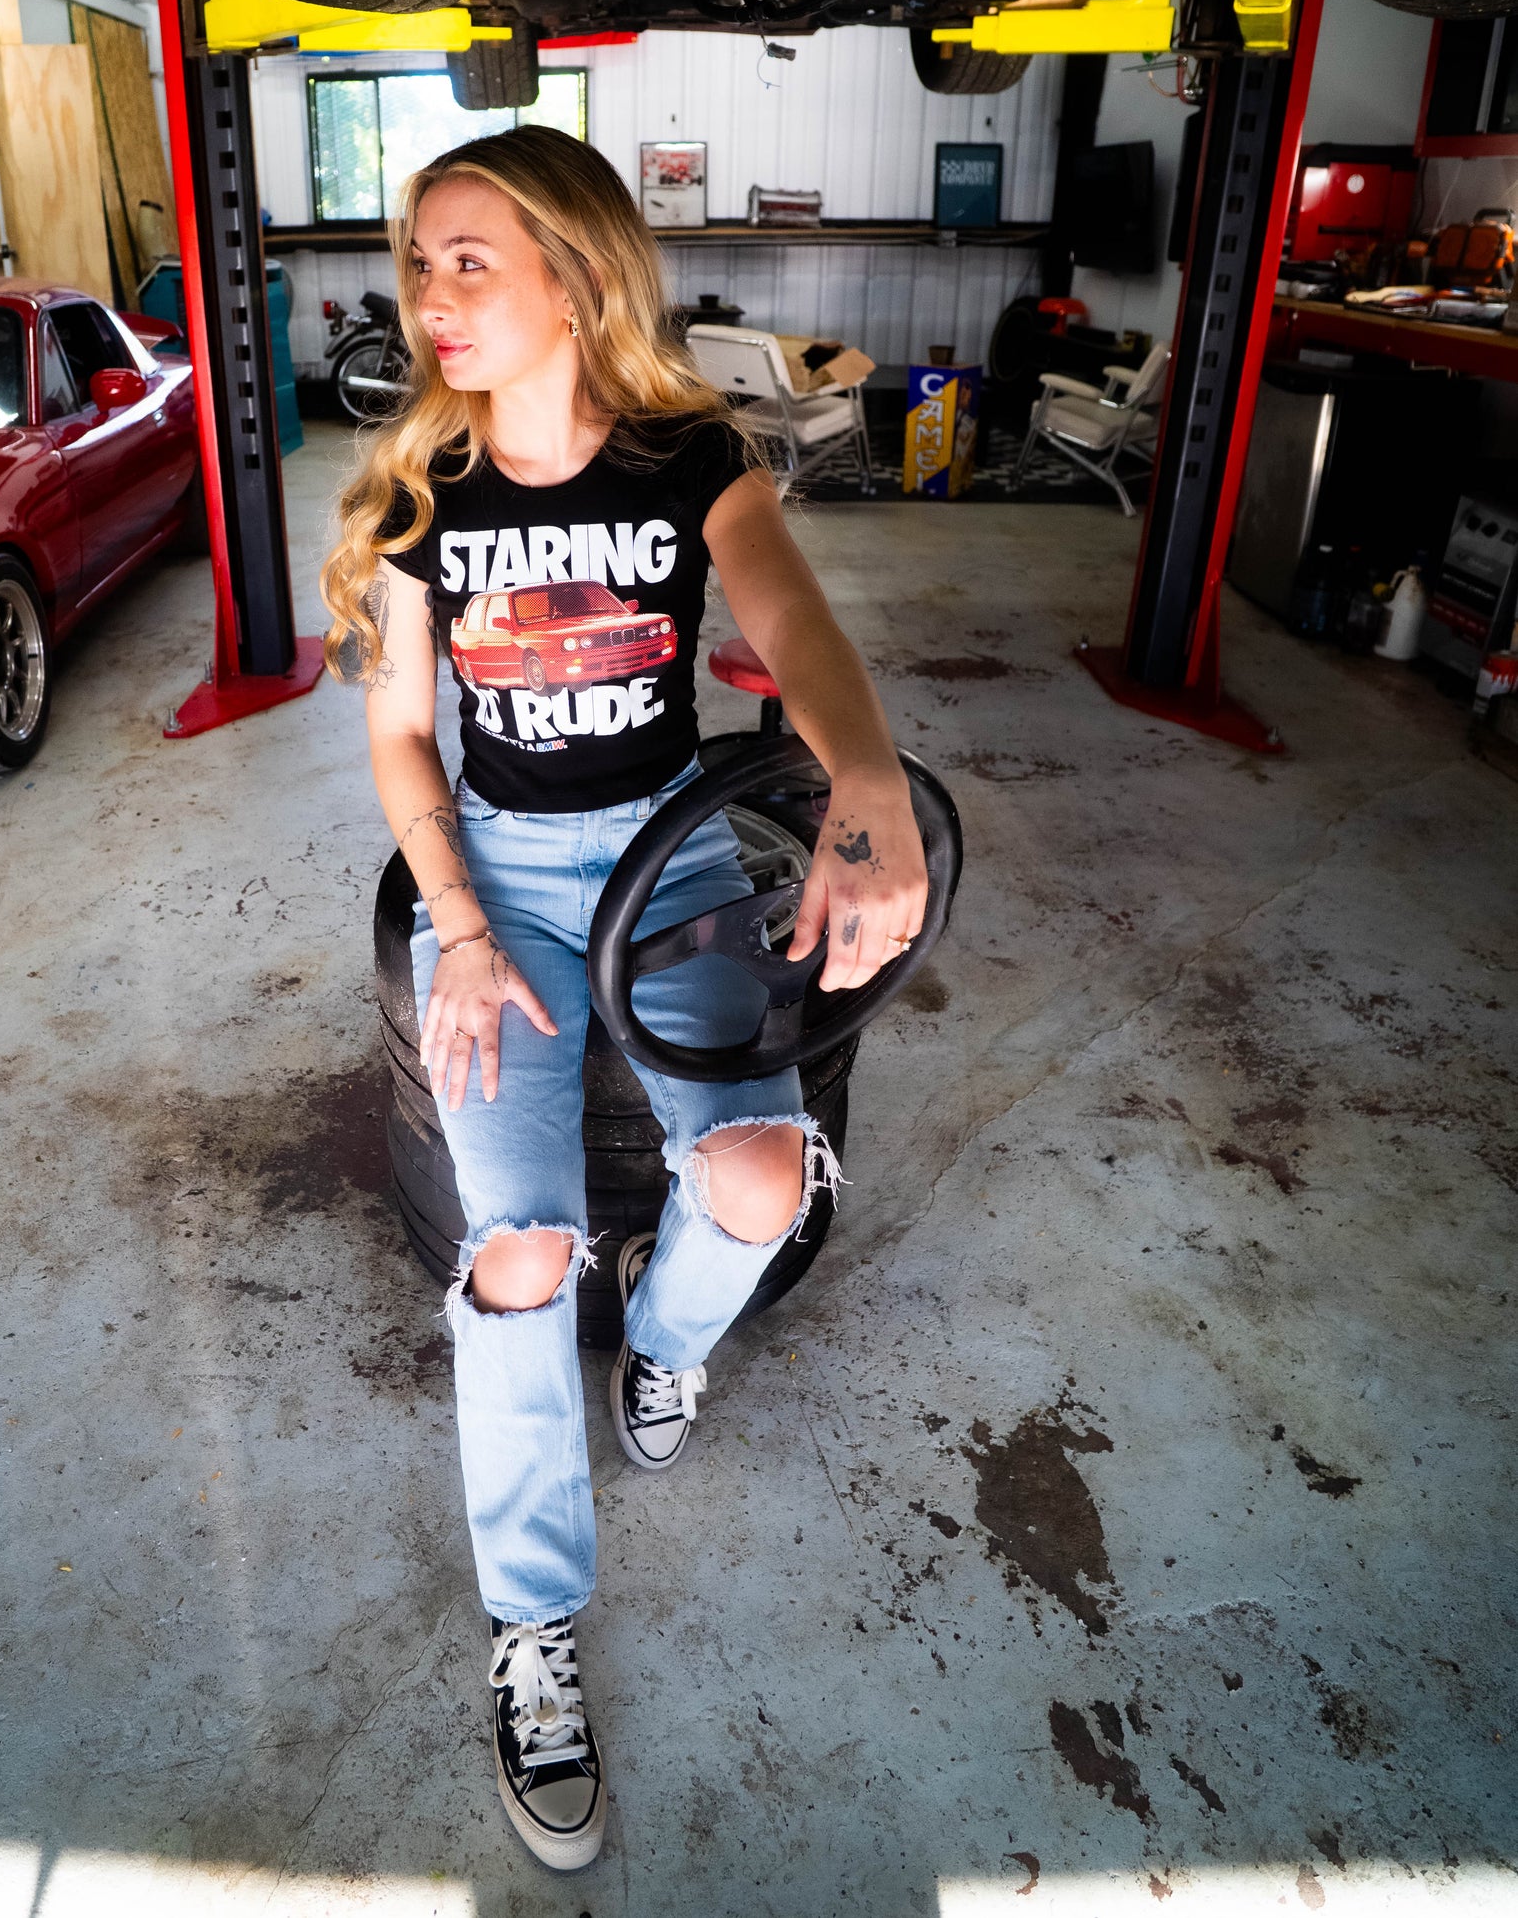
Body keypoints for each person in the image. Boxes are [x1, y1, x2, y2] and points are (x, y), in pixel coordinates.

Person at [319, 124, 927, 1872]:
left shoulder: (689, 460)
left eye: (465, 258)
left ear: (575, 273)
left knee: (752, 1176)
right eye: (419, 260)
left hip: (670, 863)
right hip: (494, 872)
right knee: (514, 1256)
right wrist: (458, 919)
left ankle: (664, 1343)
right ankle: (532, 1624)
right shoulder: (423, 494)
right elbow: (397, 733)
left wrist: (867, 803)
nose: (428, 294)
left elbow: (799, 635)